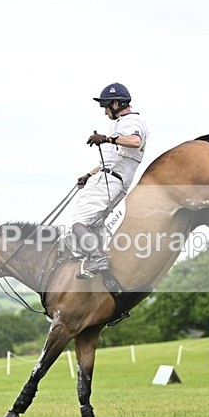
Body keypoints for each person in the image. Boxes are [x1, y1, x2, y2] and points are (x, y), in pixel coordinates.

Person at [70, 82, 148, 280]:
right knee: (94, 225)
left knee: (79, 223)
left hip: (110, 182)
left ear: (116, 103)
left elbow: (135, 141)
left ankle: (98, 260)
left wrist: (107, 139)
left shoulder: (131, 121)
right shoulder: (121, 123)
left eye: (106, 106)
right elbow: (111, 160)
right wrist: (89, 175)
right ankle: (105, 275)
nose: (105, 112)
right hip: (109, 179)